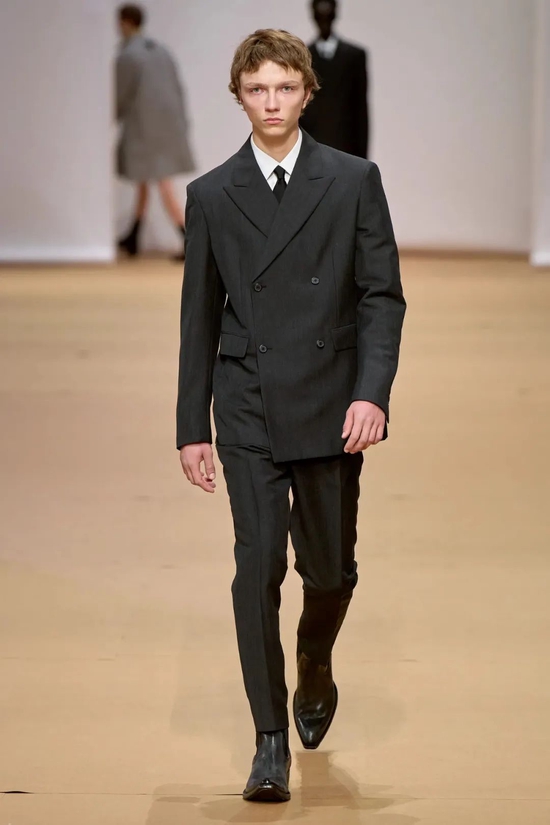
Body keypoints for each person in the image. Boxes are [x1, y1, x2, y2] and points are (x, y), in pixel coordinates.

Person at [176, 29, 405, 802]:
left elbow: (381, 295)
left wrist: (372, 391)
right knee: (257, 566)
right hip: (248, 401)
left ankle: (314, 656)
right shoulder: (212, 194)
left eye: (284, 87)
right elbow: (199, 318)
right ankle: (268, 737)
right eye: (256, 89)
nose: (271, 102)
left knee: (329, 571)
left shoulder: (353, 180)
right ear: (238, 97)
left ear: (307, 92)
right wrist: (192, 425)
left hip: (333, 400)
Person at [115, 4, 195, 260]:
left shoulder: (129, 55)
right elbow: (177, 88)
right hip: (166, 126)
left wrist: (109, 117)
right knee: (146, 180)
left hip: (145, 129)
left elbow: (119, 95)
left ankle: (190, 238)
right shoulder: (160, 51)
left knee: (163, 182)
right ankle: (134, 234)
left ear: (125, 22)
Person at [300, 0, 370, 157]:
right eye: (320, 17)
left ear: (335, 15)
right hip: (312, 150)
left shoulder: (354, 56)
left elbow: (360, 111)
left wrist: (362, 160)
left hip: (346, 150)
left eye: (328, 16)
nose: (324, 21)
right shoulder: (302, 59)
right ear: (313, 17)